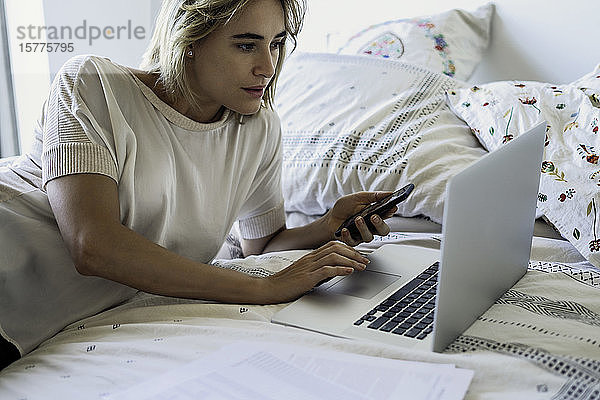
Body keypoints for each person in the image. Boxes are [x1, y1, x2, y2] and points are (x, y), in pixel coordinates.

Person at [0, 0, 396, 369]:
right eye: (246, 45)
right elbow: (93, 245)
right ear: (189, 40)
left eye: (276, 44)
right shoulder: (94, 85)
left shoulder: (258, 129)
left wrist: (326, 227)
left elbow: (262, 243)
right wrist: (265, 287)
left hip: (41, 325)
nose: (268, 66)